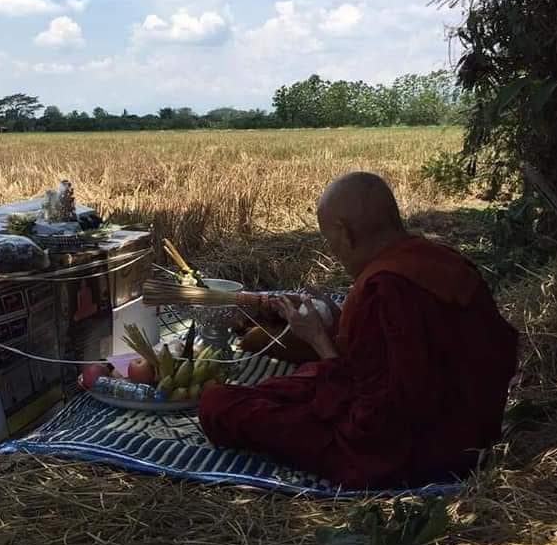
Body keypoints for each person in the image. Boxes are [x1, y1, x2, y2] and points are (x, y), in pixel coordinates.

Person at [198, 172, 519, 489]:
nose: (334, 252)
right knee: (291, 386)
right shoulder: (443, 260)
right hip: (475, 433)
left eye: (329, 240)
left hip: (411, 456)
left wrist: (319, 340)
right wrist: (334, 321)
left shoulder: (384, 290)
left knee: (218, 404)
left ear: (344, 233)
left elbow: (373, 425)